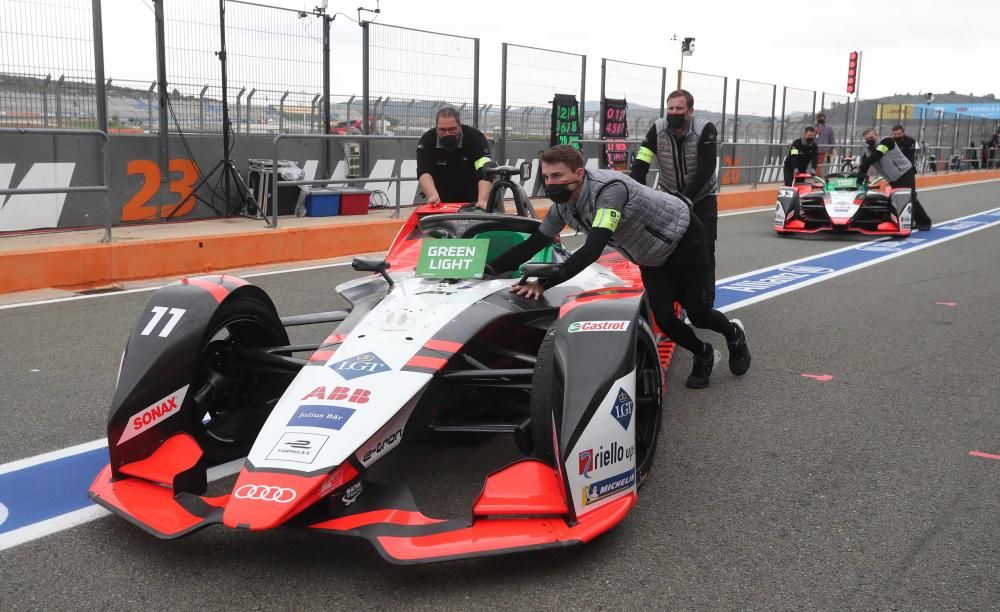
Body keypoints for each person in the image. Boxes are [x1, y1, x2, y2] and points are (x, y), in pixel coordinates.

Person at [488, 145, 750, 389]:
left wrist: (544, 281)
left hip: (683, 237)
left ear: (579, 173)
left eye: (557, 176)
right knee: (665, 319)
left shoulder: (610, 190)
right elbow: (535, 242)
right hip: (649, 254)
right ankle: (702, 353)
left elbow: (593, 248)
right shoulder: (563, 206)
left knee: (699, 313)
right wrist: (488, 269)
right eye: (546, 177)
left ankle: (733, 333)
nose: (550, 183)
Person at [630, 89, 719, 280]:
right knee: (666, 246)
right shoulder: (658, 128)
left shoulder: (705, 128)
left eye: (679, 108)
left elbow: (707, 167)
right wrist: (637, 193)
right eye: (670, 108)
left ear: (690, 111)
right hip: (669, 196)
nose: (674, 112)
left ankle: (705, 297)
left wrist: (686, 196)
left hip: (702, 197)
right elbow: (641, 162)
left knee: (705, 247)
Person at [416, 107, 492, 209]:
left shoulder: (476, 138)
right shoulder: (427, 140)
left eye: (452, 129)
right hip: (441, 202)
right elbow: (424, 171)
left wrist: (483, 200)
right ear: (436, 127)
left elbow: (484, 169)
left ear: (459, 125)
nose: (447, 134)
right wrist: (432, 195)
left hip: (477, 198)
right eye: (442, 130)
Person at [857, 128, 932, 231]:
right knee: (898, 200)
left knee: (910, 197)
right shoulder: (868, 152)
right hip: (892, 178)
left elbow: (877, 155)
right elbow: (864, 167)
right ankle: (905, 222)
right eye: (867, 139)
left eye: (871, 137)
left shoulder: (887, 141)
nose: (870, 140)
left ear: (877, 135)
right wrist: (857, 180)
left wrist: (862, 167)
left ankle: (924, 222)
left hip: (905, 172)